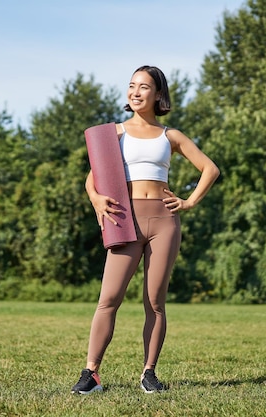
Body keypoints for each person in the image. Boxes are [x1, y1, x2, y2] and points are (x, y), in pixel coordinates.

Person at [71, 65, 220, 394]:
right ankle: (91, 373)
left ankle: (149, 373)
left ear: (158, 94)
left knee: (155, 301)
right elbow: (93, 178)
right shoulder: (114, 134)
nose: (135, 92)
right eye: (131, 86)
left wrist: (189, 202)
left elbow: (210, 168)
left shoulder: (172, 136)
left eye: (144, 87)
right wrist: (96, 200)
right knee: (108, 299)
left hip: (164, 222)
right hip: (124, 219)